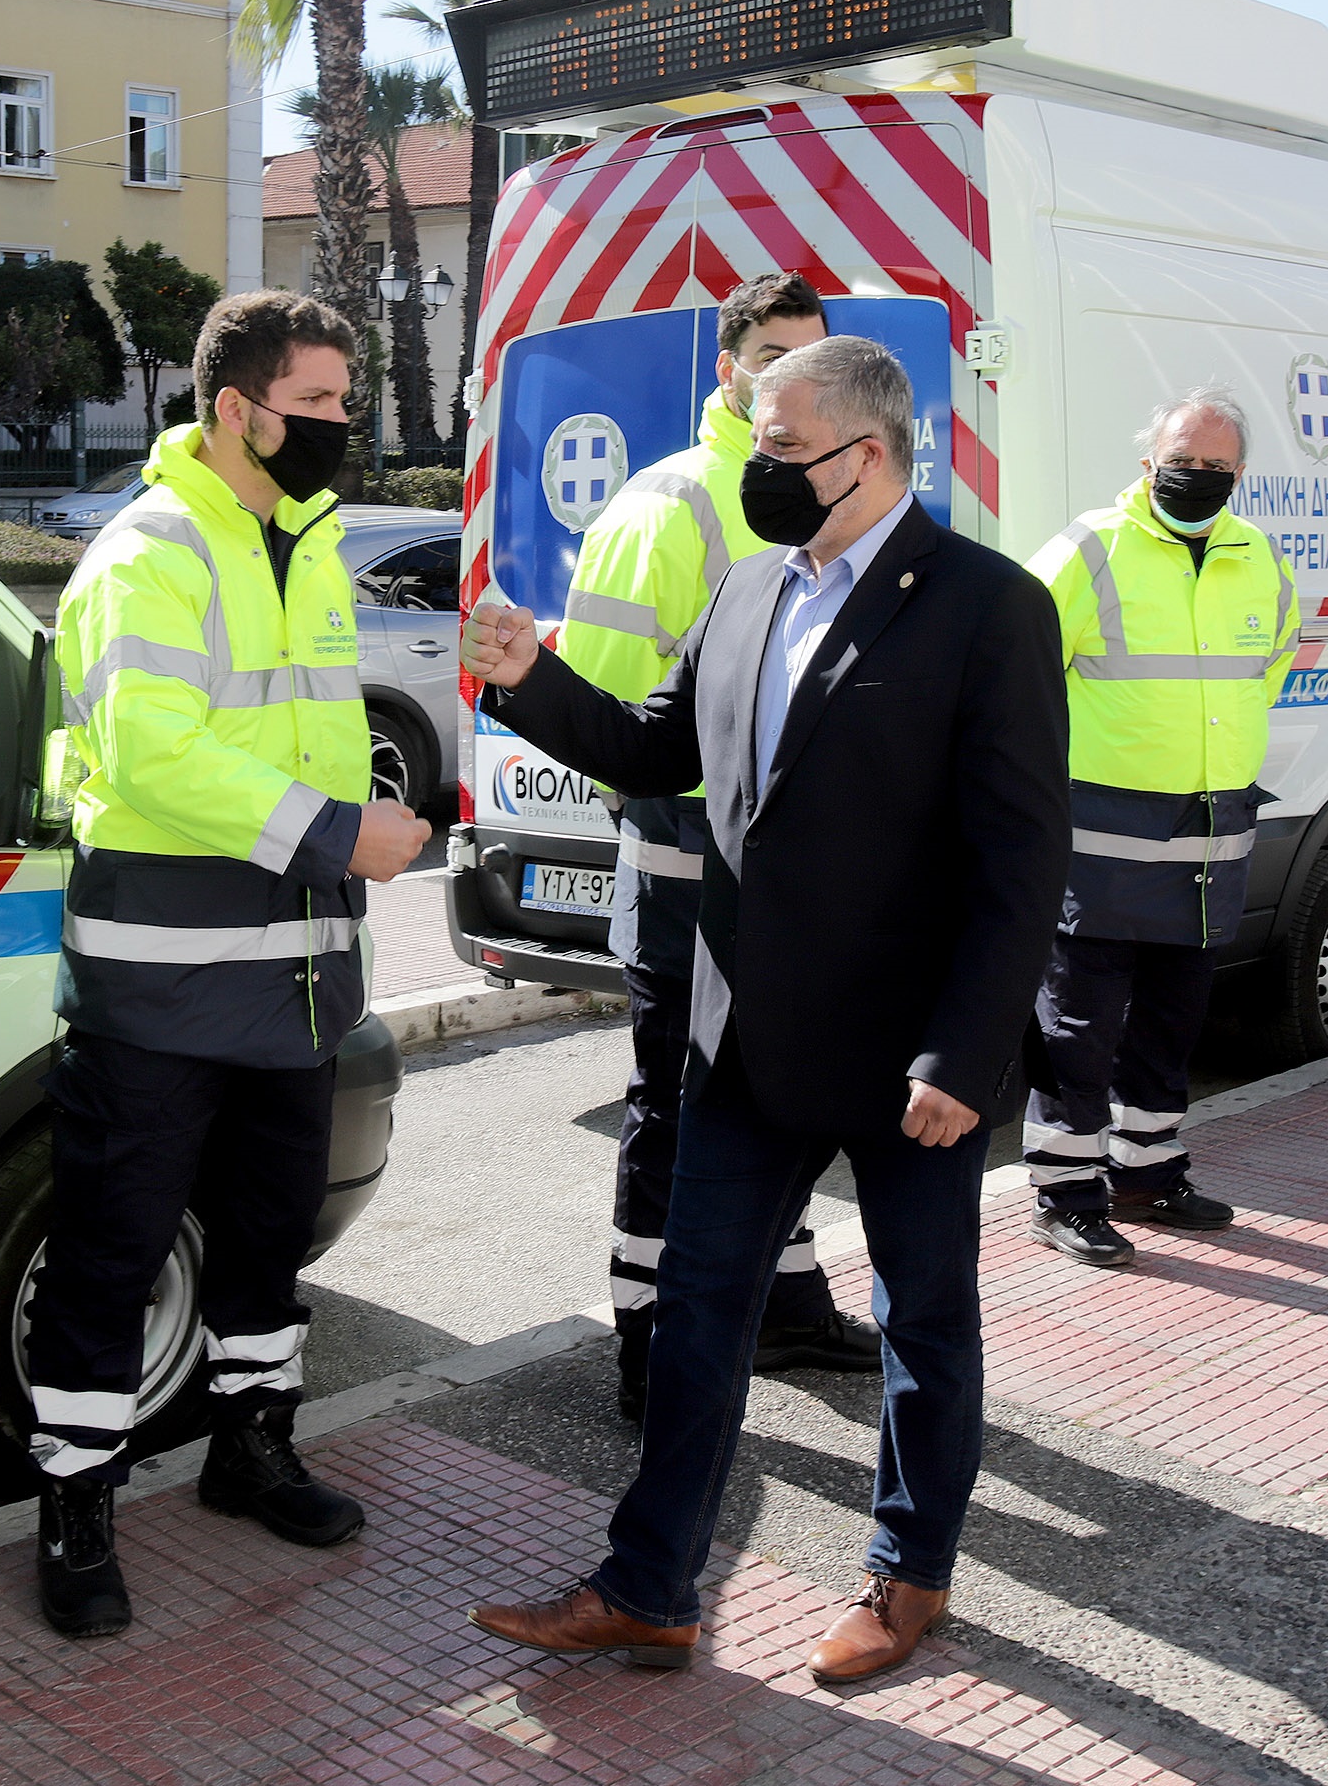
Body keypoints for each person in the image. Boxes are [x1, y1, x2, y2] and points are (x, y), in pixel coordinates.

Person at [459, 337, 1069, 1684]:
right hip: (742, 1036)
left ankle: (906, 1574)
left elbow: (1020, 859)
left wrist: (966, 1048)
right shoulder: (745, 589)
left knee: (923, 1322)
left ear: (868, 455)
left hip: (908, 1053)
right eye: (751, 443)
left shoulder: (986, 605)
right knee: (696, 1308)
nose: (755, 470)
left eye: (780, 449)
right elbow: (653, 749)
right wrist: (529, 677)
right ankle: (648, 1587)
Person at [26, 291, 430, 1639]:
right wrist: (337, 832)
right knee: (110, 1248)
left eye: (342, 400)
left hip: (297, 978)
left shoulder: (301, 547)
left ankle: (248, 1445)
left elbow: (303, 731)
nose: (338, 425)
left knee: (265, 1239)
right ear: (233, 407)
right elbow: (153, 754)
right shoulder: (148, 550)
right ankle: (75, 1500)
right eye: (315, 403)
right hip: (159, 984)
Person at [556, 272, 876, 1421]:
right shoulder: (673, 504)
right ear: (726, 371)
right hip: (688, 870)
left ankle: (784, 1308)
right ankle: (646, 1343)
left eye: (815, 356)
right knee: (675, 1110)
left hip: (779, 882)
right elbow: (602, 708)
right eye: (774, 355)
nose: (794, 376)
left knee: (770, 1097)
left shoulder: (822, 493)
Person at [1021, 389, 1299, 1266]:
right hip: (1102, 838)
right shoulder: (1089, 547)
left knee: (1172, 1020)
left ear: (1239, 475)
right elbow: (1016, 665)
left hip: (1211, 838)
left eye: (1216, 467)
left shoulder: (1259, 556)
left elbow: (1270, 665)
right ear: (1147, 463)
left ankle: (1146, 1172)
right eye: (1183, 460)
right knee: (1079, 1022)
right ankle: (1065, 1191)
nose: (1197, 476)